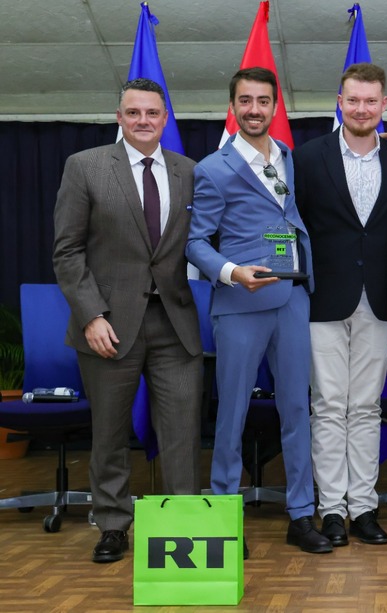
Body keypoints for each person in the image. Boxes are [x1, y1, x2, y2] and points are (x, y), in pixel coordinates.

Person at [53, 78, 202, 563]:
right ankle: (113, 525)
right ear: (119, 117)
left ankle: (183, 529)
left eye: (152, 113)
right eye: (133, 112)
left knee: (182, 432)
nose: (143, 120)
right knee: (110, 433)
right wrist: (91, 315)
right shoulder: (86, 166)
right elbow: (67, 251)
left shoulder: (189, 171)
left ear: (165, 118)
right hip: (109, 327)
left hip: (175, 324)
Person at [186, 67, 331, 555]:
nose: (254, 109)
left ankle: (301, 515)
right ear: (233, 106)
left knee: (297, 410)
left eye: (263, 101)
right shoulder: (212, 168)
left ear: (274, 106)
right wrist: (231, 272)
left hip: (293, 298)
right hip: (240, 304)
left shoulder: (289, 157)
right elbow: (195, 242)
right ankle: (225, 517)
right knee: (232, 413)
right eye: (245, 100)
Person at [293, 63, 387, 547]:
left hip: (379, 300)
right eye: (353, 100)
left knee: (366, 407)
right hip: (323, 299)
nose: (361, 108)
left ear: (384, 105)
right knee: (327, 406)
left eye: (371, 101)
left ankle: (364, 507)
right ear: (339, 101)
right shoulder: (307, 157)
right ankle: (332, 510)